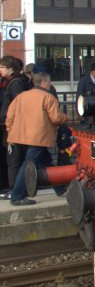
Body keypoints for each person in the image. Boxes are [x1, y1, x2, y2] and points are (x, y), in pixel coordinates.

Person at [6, 72, 69, 206]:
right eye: (49, 81)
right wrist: (66, 117)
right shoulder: (48, 97)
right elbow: (56, 118)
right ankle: (17, 196)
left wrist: (10, 132)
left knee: (46, 163)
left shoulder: (21, 96)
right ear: (44, 82)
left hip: (19, 136)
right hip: (38, 137)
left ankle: (60, 188)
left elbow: (10, 116)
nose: (50, 84)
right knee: (28, 165)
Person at [0, 56, 32, 200]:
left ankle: (15, 191)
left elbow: (18, 107)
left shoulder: (15, 83)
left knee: (14, 160)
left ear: (10, 68)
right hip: (12, 127)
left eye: (2, 68)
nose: (0, 70)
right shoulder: (11, 82)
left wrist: (11, 127)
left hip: (14, 128)